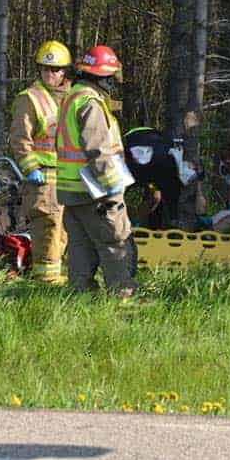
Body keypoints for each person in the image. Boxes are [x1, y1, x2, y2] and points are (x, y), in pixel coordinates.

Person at [55, 44, 136, 298]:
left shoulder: (72, 96)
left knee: (80, 247)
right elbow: (98, 150)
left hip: (71, 190)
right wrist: (113, 189)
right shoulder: (91, 103)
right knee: (114, 242)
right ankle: (122, 297)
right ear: (104, 76)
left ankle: (80, 297)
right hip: (96, 191)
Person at [8, 40, 72, 283]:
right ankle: (45, 281)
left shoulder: (72, 96)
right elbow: (19, 137)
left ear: (64, 71)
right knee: (47, 226)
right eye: (45, 69)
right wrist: (30, 167)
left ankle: (55, 273)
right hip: (43, 177)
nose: (49, 74)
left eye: (55, 69)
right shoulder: (30, 98)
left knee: (63, 228)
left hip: (67, 176)